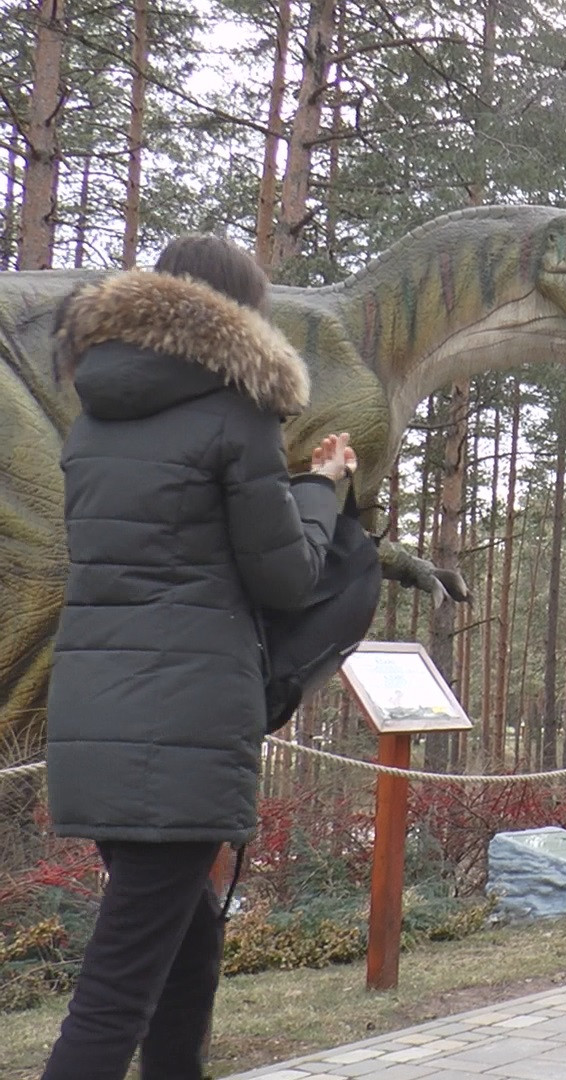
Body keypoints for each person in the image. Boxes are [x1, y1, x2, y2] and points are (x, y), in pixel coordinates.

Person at [42, 235, 356, 1080]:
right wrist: (322, 489)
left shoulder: (95, 417)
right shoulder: (235, 414)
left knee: (187, 951)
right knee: (115, 996)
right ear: (238, 315)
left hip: (95, 719)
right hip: (181, 729)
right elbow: (287, 577)